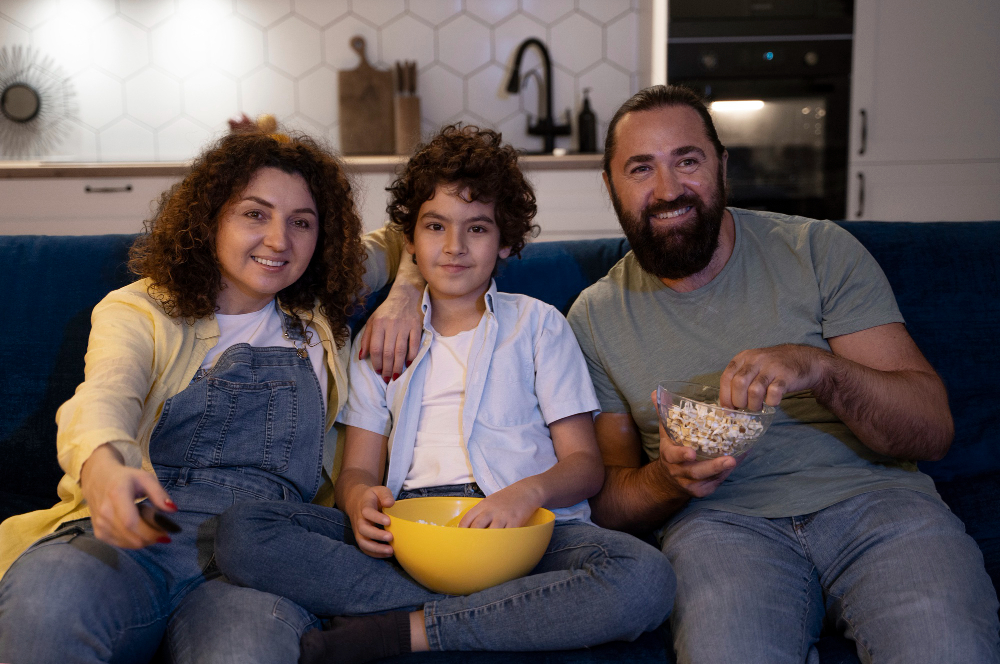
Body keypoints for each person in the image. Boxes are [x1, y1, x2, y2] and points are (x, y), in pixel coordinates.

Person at [566, 84, 1000, 663]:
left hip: (879, 506)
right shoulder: (594, 317)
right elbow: (606, 503)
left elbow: (932, 429)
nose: (668, 190)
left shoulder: (818, 251)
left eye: (687, 161)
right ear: (611, 188)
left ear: (722, 167)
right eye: (641, 168)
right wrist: (669, 481)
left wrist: (819, 368)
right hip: (719, 529)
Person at [214, 124, 675, 664]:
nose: (454, 246)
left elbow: (584, 466)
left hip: (527, 533)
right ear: (410, 242)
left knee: (647, 578)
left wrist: (525, 495)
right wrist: (361, 501)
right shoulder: (381, 340)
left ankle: (407, 628)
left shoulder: (539, 326)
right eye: (436, 226)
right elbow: (359, 470)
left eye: (477, 228)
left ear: (506, 240)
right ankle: (501, 614)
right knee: (244, 531)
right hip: (413, 533)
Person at [0, 127, 424, 662]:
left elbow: (410, 231)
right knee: (48, 601)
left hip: (262, 555)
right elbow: (104, 396)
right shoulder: (140, 310)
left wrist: (405, 293)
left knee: (244, 650)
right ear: (212, 216)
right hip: (141, 532)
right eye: (255, 213)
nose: (279, 240)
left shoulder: (319, 302)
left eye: (301, 223)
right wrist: (104, 467)